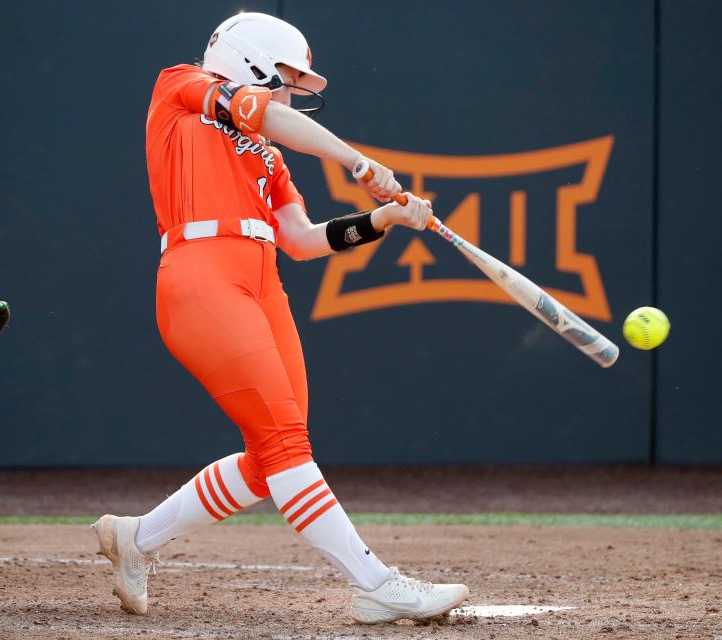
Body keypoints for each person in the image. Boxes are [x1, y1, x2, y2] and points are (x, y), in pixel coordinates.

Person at [92, 12, 469, 624]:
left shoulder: (266, 156)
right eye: (286, 78)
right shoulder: (180, 85)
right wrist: (357, 161)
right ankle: (376, 584)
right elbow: (265, 113)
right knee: (286, 443)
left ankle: (134, 539)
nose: (290, 92)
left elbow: (300, 239)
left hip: (262, 282)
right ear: (251, 61)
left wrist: (386, 221)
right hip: (201, 274)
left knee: (271, 461)